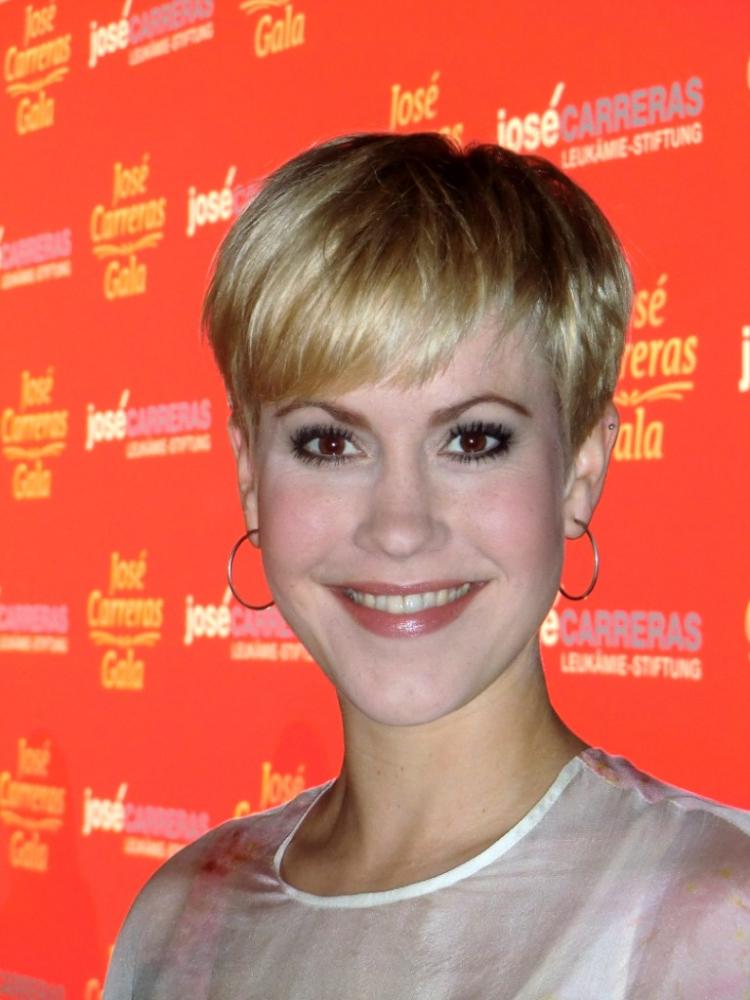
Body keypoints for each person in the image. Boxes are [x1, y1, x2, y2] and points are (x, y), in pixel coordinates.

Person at [104, 133, 750, 999]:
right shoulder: (183, 923)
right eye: (329, 443)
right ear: (251, 475)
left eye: (473, 440)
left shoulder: (713, 919)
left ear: (579, 470)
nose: (399, 527)